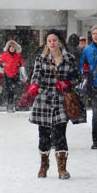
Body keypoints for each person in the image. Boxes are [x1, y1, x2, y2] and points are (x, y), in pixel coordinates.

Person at [27, 29, 78, 179]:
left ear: (60, 41)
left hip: (61, 100)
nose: (52, 43)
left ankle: (62, 169)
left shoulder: (69, 58)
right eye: (49, 41)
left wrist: (68, 83)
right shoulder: (41, 58)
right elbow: (35, 75)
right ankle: (44, 164)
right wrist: (34, 84)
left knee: (60, 134)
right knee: (43, 136)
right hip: (44, 100)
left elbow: (78, 77)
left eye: (54, 40)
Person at [0, 38, 25, 111]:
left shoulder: (18, 55)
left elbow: (22, 62)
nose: (12, 49)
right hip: (7, 75)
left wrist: (21, 65)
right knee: (10, 91)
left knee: (15, 90)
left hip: (16, 75)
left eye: (13, 47)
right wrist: (0, 65)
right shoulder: (4, 55)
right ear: (8, 48)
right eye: (11, 47)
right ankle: (10, 106)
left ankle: (14, 105)